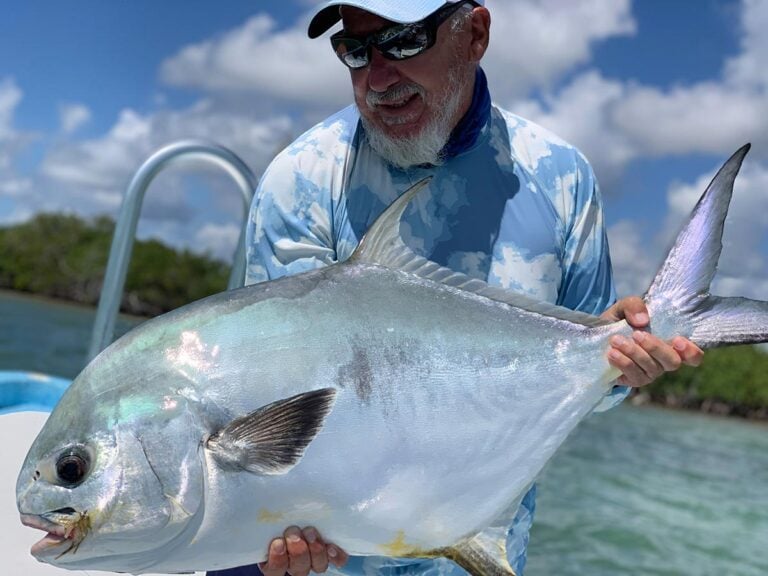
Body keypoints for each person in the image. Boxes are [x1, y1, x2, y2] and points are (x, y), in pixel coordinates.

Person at [209, 1, 703, 575]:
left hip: (481, 554)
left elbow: (588, 379)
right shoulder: (301, 180)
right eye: (356, 50)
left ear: (476, 34)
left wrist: (622, 360)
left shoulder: (562, 178)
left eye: (403, 42)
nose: (378, 77)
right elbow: (274, 405)